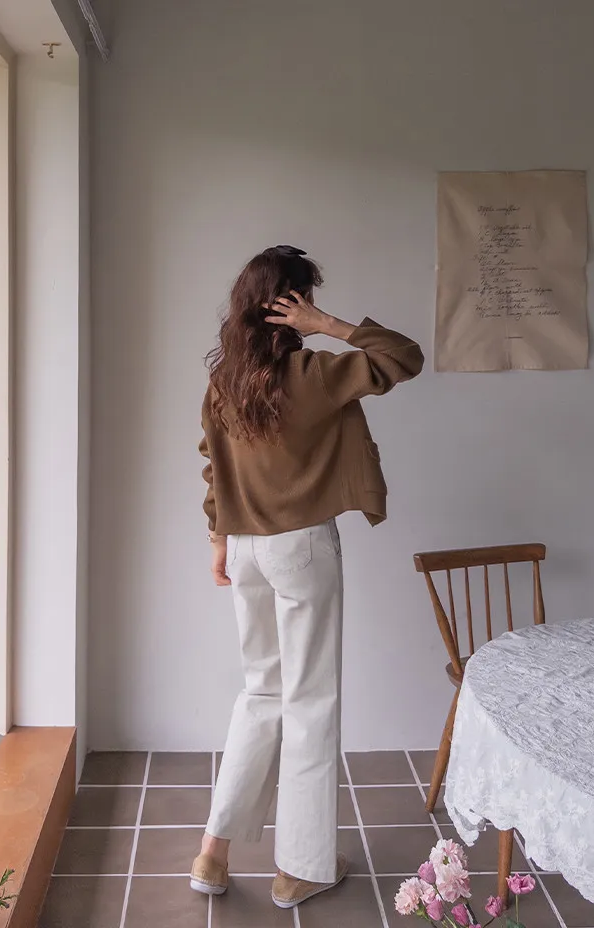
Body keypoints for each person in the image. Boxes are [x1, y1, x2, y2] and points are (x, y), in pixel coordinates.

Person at [191, 245, 424, 909]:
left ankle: (213, 853)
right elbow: (404, 357)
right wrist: (330, 325)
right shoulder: (312, 374)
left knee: (261, 692)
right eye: (307, 299)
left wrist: (218, 540)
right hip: (300, 550)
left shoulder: (224, 382)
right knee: (310, 701)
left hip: (245, 549)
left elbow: (213, 465)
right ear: (292, 304)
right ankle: (300, 868)